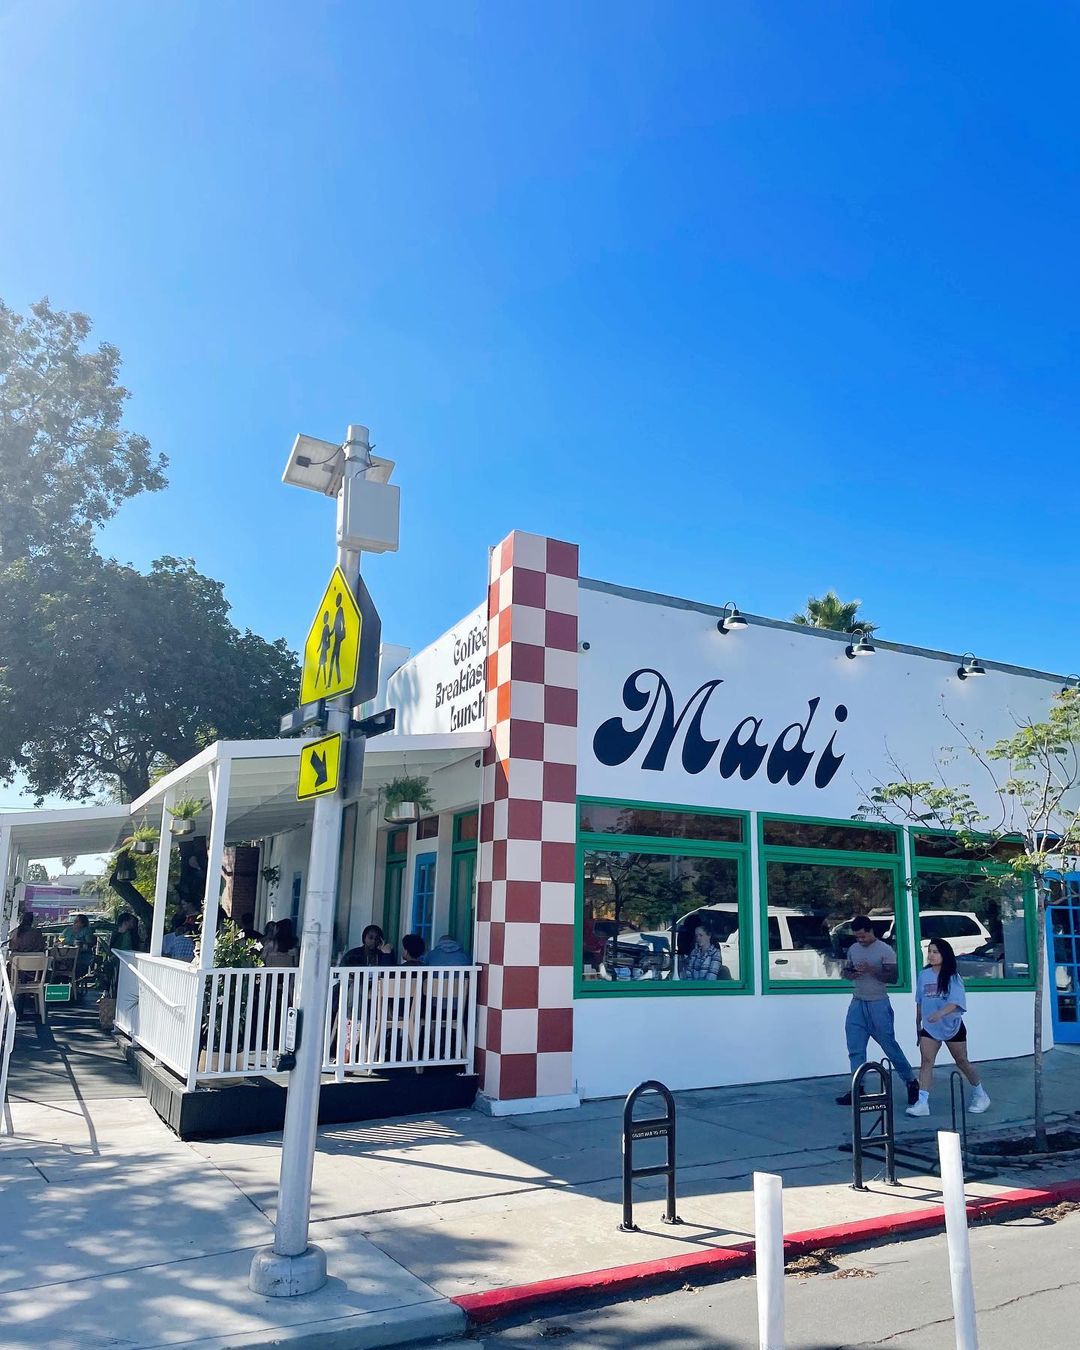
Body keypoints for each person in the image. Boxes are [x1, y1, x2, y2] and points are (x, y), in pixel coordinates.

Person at [836, 914, 920, 1108]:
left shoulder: (885, 949)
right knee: (855, 1048)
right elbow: (846, 971)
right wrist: (851, 973)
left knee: (889, 1045)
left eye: (863, 936)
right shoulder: (853, 949)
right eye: (857, 937)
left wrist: (871, 970)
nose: (860, 940)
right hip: (858, 1002)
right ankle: (858, 1087)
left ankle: (910, 1081)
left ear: (871, 931)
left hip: (878, 1004)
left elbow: (893, 977)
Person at [907, 938, 991, 1116]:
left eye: (935, 952)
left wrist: (941, 1013)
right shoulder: (924, 975)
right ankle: (922, 1102)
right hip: (930, 1028)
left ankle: (980, 1094)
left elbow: (956, 1002)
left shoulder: (953, 977)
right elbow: (919, 1002)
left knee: (961, 1061)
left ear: (945, 954)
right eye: (929, 951)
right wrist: (917, 1025)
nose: (931, 955)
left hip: (952, 1026)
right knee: (926, 1061)